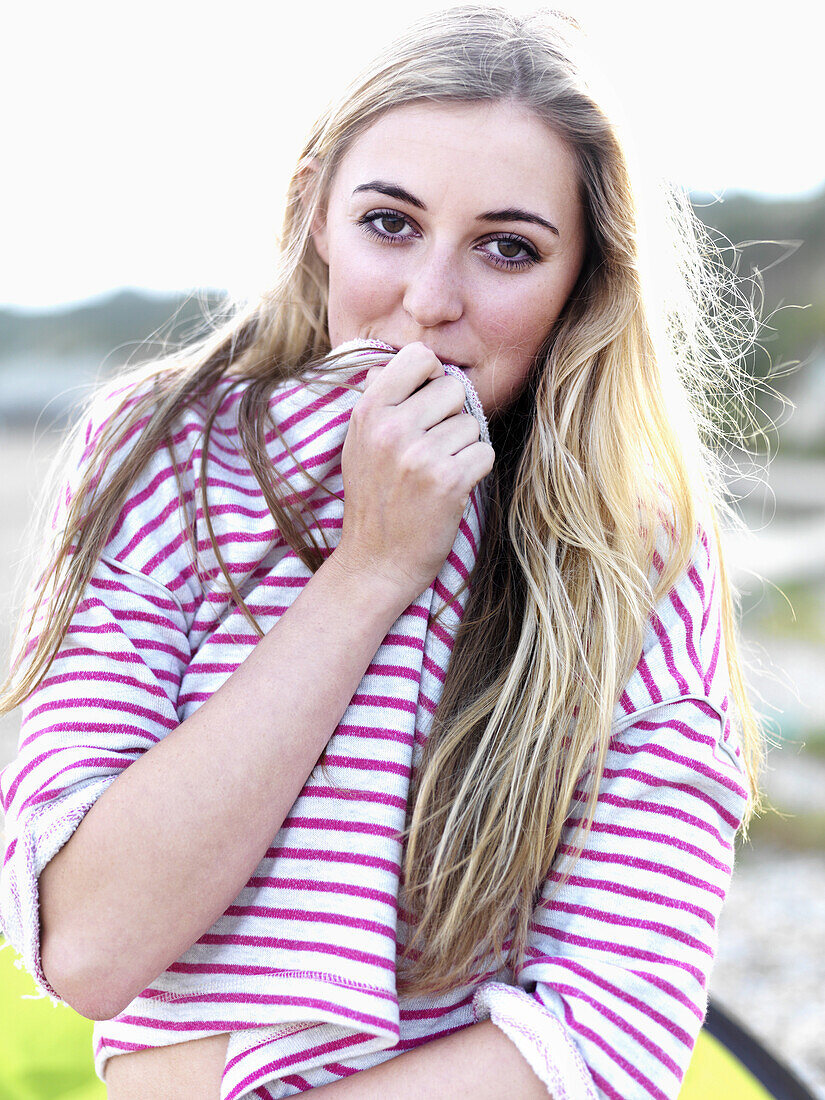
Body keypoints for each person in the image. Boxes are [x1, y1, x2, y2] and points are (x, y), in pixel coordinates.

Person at [0, 6, 764, 1098]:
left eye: (509, 248)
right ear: (314, 206)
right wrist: (369, 571)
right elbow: (86, 944)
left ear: (584, 279)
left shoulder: (633, 548)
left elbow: (612, 1029)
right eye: (390, 223)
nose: (429, 302)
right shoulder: (159, 450)